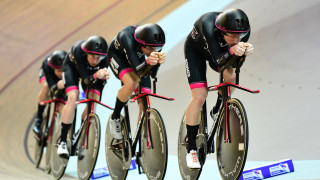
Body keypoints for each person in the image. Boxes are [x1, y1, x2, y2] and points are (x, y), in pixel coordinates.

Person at [183, 8, 254, 169]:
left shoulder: (243, 32)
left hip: (222, 52)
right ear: (221, 31)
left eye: (240, 36)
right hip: (196, 53)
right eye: (232, 36)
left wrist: (242, 54)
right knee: (200, 96)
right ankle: (191, 149)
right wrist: (233, 51)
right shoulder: (207, 25)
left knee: (232, 77)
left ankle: (217, 109)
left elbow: (234, 64)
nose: (237, 39)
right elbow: (219, 60)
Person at [108, 23, 166, 140]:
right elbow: (138, 70)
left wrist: (157, 63)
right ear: (141, 44)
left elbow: (152, 73)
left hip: (137, 58)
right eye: (150, 49)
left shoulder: (153, 45)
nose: (153, 51)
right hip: (118, 58)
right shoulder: (127, 37)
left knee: (145, 95)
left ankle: (141, 140)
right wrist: (149, 62)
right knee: (131, 83)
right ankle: (115, 117)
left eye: (157, 49)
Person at [57, 35, 111, 156]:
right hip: (72, 69)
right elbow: (86, 80)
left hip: (92, 74)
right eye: (92, 57)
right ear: (86, 53)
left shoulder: (105, 58)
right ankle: (62, 141)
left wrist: (103, 77)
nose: (95, 61)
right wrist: (97, 75)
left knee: (94, 101)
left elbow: (99, 83)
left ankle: (80, 133)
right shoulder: (78, 50)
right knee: (73, 96)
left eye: (99, 58)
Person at [33, 50, 67, 137]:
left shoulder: (69, 67)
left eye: (62, 70)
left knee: (63, 101)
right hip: (47, 75)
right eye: (59, 70)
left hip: (61, 81)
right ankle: (38, 120)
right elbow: (53, 87)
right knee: (46, 86)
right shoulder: (47, 65)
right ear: (54, 68)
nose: (61, 73)